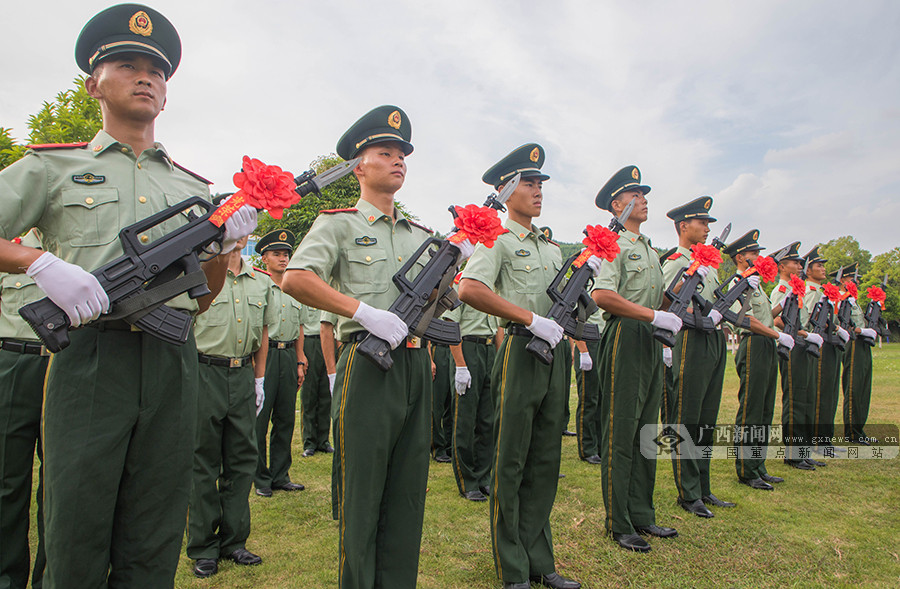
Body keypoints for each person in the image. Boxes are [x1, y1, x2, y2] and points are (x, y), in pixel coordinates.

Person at [0, 5, 256, 586]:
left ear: (166, 94)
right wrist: (37, 261)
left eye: (157, 71)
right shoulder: (52, 167)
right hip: (90, 357)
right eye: (127, 63)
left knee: (156, 524)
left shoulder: (193, 189)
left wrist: (218, 255)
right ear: (94, 83)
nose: (146, 77)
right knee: (77, 525)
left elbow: (202, 301)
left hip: (172, 361)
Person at [282, 105, 441, 589]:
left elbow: (435, 305)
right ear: (358, 164)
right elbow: (296, 277)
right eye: (384, 152)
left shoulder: (422, 237)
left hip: (414, 363)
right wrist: (361, 311)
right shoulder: (338, 224)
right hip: (368, 363)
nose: (397, 161)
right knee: (363, 490)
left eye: (402, 155)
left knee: (408, 490)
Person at [459, 143, 582, 589]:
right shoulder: (498, 239)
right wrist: (531, 319)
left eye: (540, 184)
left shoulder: (549, 248)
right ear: (505, 189)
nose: (537, 190)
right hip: (520, 350)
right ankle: (513, 566)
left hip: (555, 356)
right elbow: (469, 288)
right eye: (528, 183)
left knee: (545, 459)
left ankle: (540, 559)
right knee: (510, 460)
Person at [591, 165, 682, 554]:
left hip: (650, 336)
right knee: (622, 428)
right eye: (635, 195)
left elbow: (656, 300)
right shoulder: (612, 244)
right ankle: (619, 521)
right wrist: (651, 315)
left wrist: (676, 294)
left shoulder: (648, 249)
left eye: (644, 195)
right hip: (626, 335)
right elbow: (603, 296)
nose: (643, 200)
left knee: (648, 430)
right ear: (617, 205)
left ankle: (643, 512)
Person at [187, 236, 274, 577]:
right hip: (204, 370)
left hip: (242, 373)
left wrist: (259, 378)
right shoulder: (200, 274)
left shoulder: (261, 282)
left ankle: (234, 541)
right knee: (203, 460)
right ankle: (203, 545)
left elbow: (264, 330)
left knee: (241, 460)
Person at [661, 196, 734, 517]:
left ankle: (703, 486)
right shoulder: (677, 261)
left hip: (712, 340)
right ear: (682, 226)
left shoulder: (709, 262)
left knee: (706, 416)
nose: (706, 228)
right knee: (686, 417)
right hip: (688, 340)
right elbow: (665, 302)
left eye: (707, 224)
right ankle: (688, 492)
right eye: (701, 223)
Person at [721, 230, 795, 490]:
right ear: (740, 257)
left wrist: (783, 304)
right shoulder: (737, 285)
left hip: (766, 343)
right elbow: (747, 321)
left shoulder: (756, 284)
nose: (759, 257)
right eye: (754, 253)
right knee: (751, 409)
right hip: (752, 344)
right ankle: (746, 468)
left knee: (764, 409)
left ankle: (758, 464)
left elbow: (765, 315)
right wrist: (777, 333)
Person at [0, 230, 47, 589]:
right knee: (7, 479)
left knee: (62, 484)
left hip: (66, 365)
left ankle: (54, 576)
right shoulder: (9, 245)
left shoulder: (76, 244)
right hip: (12, 360)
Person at [254, 229, 307, 495]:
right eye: (277, 254)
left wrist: (300, 359)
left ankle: (280, 474)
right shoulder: (258, 285)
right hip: (267, 355)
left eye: (286, 254)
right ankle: (260, 478)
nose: (283, 259)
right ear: (264, 258)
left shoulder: (293, 287)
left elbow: (299, 326)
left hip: (288, 356)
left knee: (285, 417)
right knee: (260, 420)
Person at [769, 242, 823, 470]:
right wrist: (805, 334)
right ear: (782, 266)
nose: (800, 266)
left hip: (802, 345)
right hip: (792, 346)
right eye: (795, 262)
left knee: (806, 398)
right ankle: (793, 452)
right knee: (795, 399)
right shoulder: (781, 290)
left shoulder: (796, 290)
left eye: (801, 263)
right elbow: (776, 319)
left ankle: (803, 450)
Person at [445, 276, 499, 501]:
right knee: (465, 418)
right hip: (468, 349)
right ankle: (467, 479)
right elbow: (451, 324)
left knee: (488, 419)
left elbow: (498, 328)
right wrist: (460, 364)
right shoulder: (462, 283)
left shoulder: (494, 287)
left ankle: (484, 476)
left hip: (488, 349)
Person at [802, 246, 849, 457]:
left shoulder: (822, 292)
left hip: (831, 344)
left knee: (830, 394)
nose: (822, 269)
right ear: (808, 270)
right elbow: (813, 319)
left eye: (823, 265)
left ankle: (826, 439)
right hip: (819, 344)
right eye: (818, 265)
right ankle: (818, 441)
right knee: (820, 395)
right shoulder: (810, 293)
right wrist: (837, 328)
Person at [838, 264, 878, 444]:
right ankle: (852, 432)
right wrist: (862, 331)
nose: (858, 282)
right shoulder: (841, 300)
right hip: (853, 344)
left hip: (863, 344)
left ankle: (859, 429)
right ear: (843, 281)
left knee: (863, 388)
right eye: (853, 279)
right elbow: (845, 323)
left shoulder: (853, 300)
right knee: (854, 387)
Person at [299, 303, 334, 457]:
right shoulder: (304, 292)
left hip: (326, 341)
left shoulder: (329, 289)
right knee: (309, 395)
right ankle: (309, 441)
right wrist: (300, 353)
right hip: (309, 341)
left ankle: (323, 440)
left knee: (326, 394)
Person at [573, 311, 605, 464]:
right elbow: (575, 320)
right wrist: (583, 350)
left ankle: (599, 445)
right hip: (588, 343)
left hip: (602, 339)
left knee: (601, 398)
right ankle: (587, 448)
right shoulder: (581, 288)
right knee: (589, 398)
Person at [432, 340, 455, 463]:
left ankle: (450, 445)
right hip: (439, 348)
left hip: (454, 348)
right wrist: (430, 359)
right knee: (437, 402)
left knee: (451, 403)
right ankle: (437, 448)